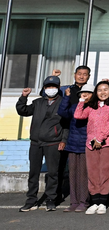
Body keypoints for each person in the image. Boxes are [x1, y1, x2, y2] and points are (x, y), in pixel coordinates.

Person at [16, 76, 68, 212]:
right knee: (33, 172)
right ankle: (31, 200)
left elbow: (67, 125)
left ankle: (51, 199)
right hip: (35, 143)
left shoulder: (63, 103)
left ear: (58, 87)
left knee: (53, 172)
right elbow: (23, 111)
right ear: (44, 88)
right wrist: (23, 97)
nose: (51, 89)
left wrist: (63, 140)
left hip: (53, 143)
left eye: (54, 86)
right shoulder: (38, 102)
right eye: (48, 86)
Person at [73, 81, 109, 215]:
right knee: (93, 172)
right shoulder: (91, 107)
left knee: (105, 172)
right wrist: (82, 100)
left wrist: (100, 138)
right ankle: (94, 201)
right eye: (99, 90)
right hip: (91, 143)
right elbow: (78, 115)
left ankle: (103, 202)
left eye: (106, 89)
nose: (103, 92)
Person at [57, 80, 91, 212]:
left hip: (85, 146)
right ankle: (73, 201)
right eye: (83, 93)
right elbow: (62, 112)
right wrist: (66, 97)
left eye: (88, 93)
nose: (85, 95)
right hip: (72, 145)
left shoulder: (93, 108)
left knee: (83, 175)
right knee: (72, 174)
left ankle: (83, 201)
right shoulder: (75, 106)